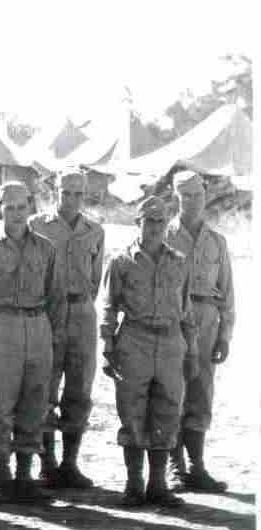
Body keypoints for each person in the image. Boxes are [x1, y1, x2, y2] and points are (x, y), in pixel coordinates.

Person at [0, 180, 66, 502]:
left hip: (37, 327)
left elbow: (57, 297)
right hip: (1, 326)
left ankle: (25, 476)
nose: (16, 214)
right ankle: (1, 474)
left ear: (30, 207)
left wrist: (56, 340)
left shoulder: (46, 249)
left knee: (35, 403)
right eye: (10, 208)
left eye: (22, 207)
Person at [100, 195, 197, 507]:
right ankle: (134, 483)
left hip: (170, 343)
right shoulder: (121, 261)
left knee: (167, 411)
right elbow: (108, 307)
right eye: (148, 220)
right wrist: (108, 346)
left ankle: (158, 485)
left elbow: (187, 312)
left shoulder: (179, 261)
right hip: (134, 340)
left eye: (160, 221)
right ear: (137, 223)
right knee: (131, 411)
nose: (154, 227)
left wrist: (192, 351)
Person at [31, 168, 105, 489]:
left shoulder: (95, 231)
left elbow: (96, 278)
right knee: (45, 386)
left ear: (85, 194)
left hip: (82, 313)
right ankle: (46, 463)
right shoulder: (38, 226)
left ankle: (69, 464)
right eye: (66, 192)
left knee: (79, 388)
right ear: (55, 191)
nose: (71, 199)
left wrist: (81, 305)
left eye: (78, 193)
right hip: (49, 312)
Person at [165, 169, 235, 493]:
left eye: (198, 195)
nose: (192, 202)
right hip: (172, 320)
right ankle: (173, 466)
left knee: (201, 391)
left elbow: (228, 294)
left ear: (206, 195)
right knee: (171, 391)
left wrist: (224, 335)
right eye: (185, 196)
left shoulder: (217, 242)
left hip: (206, 318)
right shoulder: (163, 235)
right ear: (175, 197)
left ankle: (197, 466)